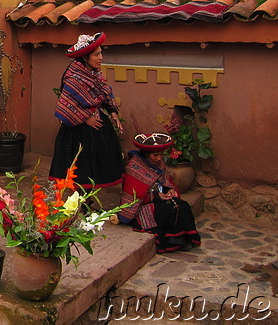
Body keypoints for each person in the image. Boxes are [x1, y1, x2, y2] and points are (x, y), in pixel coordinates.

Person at [50, 32, 124, 188]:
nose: (100, 57)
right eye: (96, 54)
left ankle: (88, 202)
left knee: (96, 168)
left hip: (97, 126)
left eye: (101, 53)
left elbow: (103, 94)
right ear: (85, 57)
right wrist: (85, 119)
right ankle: (80, 203)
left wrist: (113, 112)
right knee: (80, 168)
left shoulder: (96, 74)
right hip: (77, 129)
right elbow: (66, 104)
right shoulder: (73, 77)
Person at [118, 133, 201, 253]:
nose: (159, 158)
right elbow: (133, 197)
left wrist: (170, 190)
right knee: (171, 211)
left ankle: (183, 238)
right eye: (155, 155)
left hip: (161, 200)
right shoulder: (134, 168)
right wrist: (156, 196)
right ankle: (173, 241)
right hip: (143, 207)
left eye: (161, 154)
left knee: (182, 206)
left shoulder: (159, 165)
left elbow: (166, 182)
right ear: (146, 154)